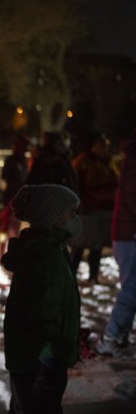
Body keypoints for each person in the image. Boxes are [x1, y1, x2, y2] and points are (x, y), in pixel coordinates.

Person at [0, 184, 82, 414]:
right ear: (54, 219)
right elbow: (41, 312)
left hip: (38, 354)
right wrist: (51, 352)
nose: (77, 219)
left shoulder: (50, 249)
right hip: (40, 358)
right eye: (72, 213)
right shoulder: (45, 256)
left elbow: (55, 305)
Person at [97, 128, 136, 356]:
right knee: (131, 289)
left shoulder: (130, 164)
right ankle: (110, 337)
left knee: (132, 288)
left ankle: (119, 337)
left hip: (127, 233)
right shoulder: (134, 166)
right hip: (129, 234)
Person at [69, 133, 117, 283]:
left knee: (97, 245)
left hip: (104, 210)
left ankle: (93, 277)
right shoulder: (82, 162)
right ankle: (70, 276)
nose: (104, 145)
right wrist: (80, 204)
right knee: (80, 244)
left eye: (105, 142)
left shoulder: (107, 162)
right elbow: (75, 184)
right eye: (100, 142)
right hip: (87, 209)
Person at [0, 135, 29, 251]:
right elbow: (5, 178)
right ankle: (1, 250)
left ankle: (10, 251)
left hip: (18, 198)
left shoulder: (23, 161)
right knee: (5, 225)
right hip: (10, 198)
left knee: (14, 228)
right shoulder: (11, 161)